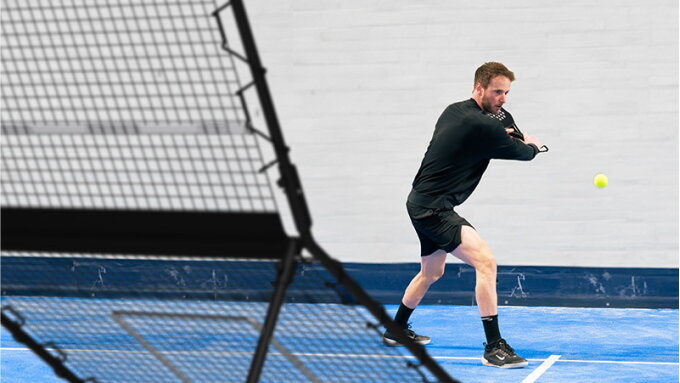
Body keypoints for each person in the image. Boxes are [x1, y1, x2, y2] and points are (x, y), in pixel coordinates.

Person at [382, 62, 544, 369]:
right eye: (498, 91)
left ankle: (396, 329)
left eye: (507, 92)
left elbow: (507, 126)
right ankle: (494, 348)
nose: (504, 99)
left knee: (431, 273)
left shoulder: (454, 110)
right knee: (486, 262)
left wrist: (510, 134)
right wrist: (534, 146)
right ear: (479, 88)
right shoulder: (479, 124)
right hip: (434, 209)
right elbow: (522, 151)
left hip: (421, 202)